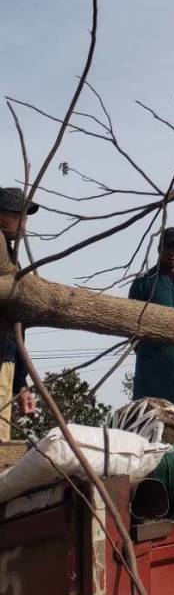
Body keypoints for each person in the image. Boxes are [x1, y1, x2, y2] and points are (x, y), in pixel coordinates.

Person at [128, 227, 174, 414]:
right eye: (169, 247)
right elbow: (131, 332)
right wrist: (154, 353)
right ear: (159, 248)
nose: (173, 252)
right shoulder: (143, 283)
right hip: (154, 382)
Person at [0, 187, 38, 441]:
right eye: (19, 216)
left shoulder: (13, 263)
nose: (24, 224)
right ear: (1, 216)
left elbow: (18, 331)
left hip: (6, 362)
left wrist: (20, 385)